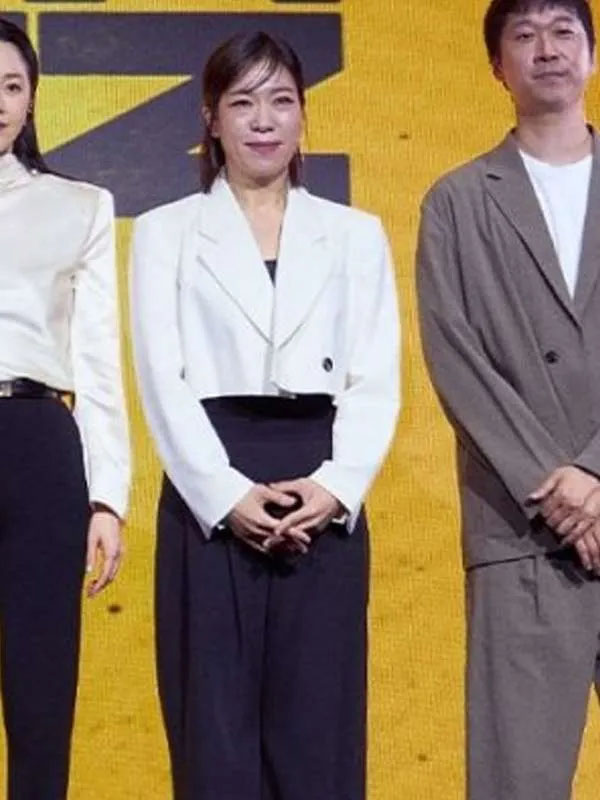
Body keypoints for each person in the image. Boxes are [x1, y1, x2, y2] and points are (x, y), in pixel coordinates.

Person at [131, 31, 399, 800]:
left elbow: (375, 378)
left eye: (281, 101)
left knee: (319, 736)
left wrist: (337, 488)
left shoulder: (354, 234)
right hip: (210, 493)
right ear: (211, 118)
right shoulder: (165, 232)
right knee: (213, 736)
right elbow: (162, 378)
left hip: (322, 490)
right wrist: (225, 496)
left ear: (303, 115)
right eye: (243, 102)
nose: (263, 120)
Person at [416, 1, 600, 798]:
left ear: (592, 54)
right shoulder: (457, 202)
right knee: (517, 783)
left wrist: (595, 471)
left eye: (564, 31)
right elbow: (454, 357)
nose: (546, 49)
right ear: (496, 66)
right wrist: (558, 489)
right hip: (522, 529)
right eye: (523, 35)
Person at [0, 17, 129, 800]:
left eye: (12, 86)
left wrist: (108, 496)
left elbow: (98, 361)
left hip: (37, 442)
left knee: (41, 694)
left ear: (32, 100)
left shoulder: (80, 205)